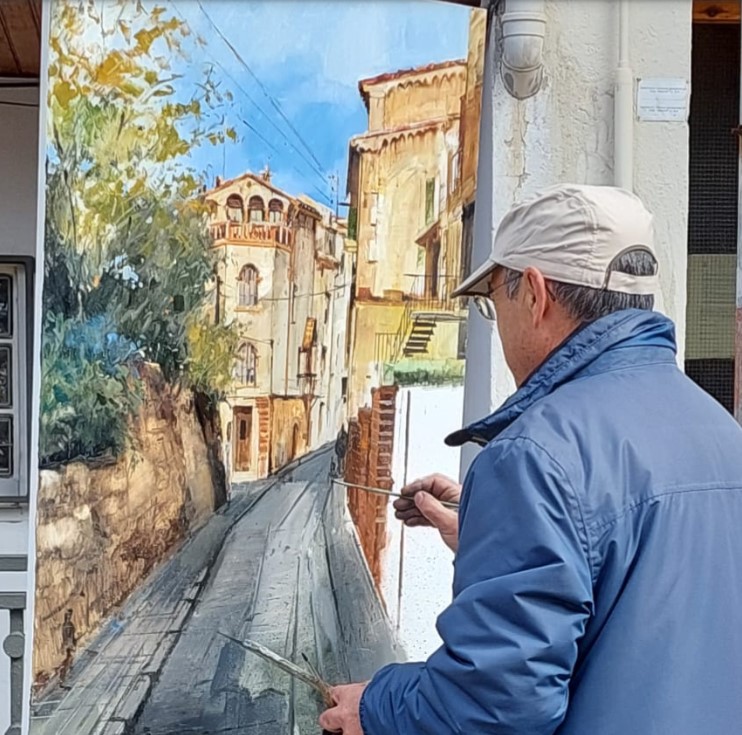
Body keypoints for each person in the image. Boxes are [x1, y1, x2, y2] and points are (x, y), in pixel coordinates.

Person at [319, 184, 742, 734]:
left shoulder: (535, 456)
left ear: (536, 295)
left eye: (496, 304)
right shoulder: (721, 432)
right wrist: (489, 532)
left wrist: (376, 707)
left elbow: (495, 706)